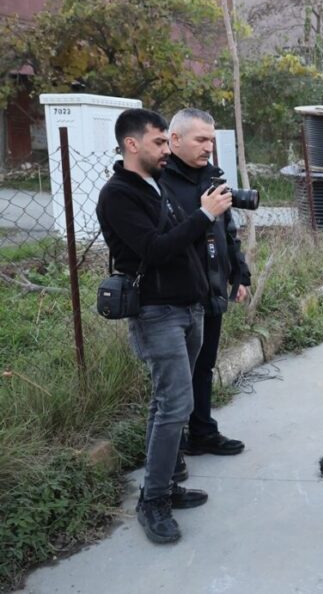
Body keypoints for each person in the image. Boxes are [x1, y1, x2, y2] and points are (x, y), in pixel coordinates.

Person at [96, 108, 232, 543]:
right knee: (174, 403)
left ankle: (168, 485)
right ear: (132, 144)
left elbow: (187, 242)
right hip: (156, 313)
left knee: (166, 402)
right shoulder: (118, 194)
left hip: (187, 308)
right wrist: (204, 215)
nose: (164, 151)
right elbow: (154, 249)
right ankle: (152, 501)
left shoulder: (156, 185)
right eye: (158, 143)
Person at [161, 108, 250, 467]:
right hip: (178, 294)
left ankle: (202, 432)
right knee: (176, 376)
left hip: (212, 287)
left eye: (211, 139)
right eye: (200, 139)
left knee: (205, 365)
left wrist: (239, 274)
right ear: (175, 139)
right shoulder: (162, 183)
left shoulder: (212, 177)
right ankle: (172, 444)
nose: (208, 146)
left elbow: (227, 231)